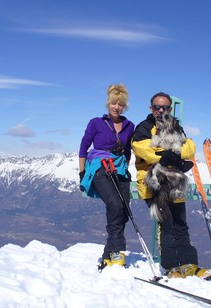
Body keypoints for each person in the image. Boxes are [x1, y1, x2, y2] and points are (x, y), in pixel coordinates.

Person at [131, 91, 211, 279]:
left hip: (175, 182)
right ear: (151, 108)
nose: (161, 111)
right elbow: (145, 151)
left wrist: (171, 154)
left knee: (180, 223)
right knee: (166, 224)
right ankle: (171, 266)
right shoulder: (143, 128)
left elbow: (190, 147)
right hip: (154, 183)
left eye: (165, 107)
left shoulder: (176, 126)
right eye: (157, 107)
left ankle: (189, 264)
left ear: (170, 108)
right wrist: (173, 153)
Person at [79, 84, 135, 270]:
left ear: (124, 106)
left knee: (123, 210)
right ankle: (118, 251)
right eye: (113, 103)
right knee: (114, 204)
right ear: (108, 104)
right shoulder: (96, 123)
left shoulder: (129, 126)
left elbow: (127, 151)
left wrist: (125, 169)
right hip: (99, 167)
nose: (116, 107)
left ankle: (108, 253)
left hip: (120, 169)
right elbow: (83, 148)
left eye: (120, 104)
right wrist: (82, 173)